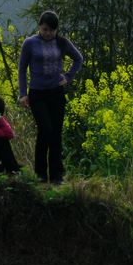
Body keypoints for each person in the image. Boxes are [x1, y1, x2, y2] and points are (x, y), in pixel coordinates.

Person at [18, 11, 83, 184]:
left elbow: (78, 59)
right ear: (39, 27)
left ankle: (57, 176)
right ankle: (40, 173)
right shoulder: (30, 43)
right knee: (45, 129)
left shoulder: (62, 43)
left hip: (56, 93)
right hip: (37, 93)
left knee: (56, 134)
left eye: (52, 30)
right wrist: (23, 94)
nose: (48, 33)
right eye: (45, 29)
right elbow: (22, 69)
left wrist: (68, 77)